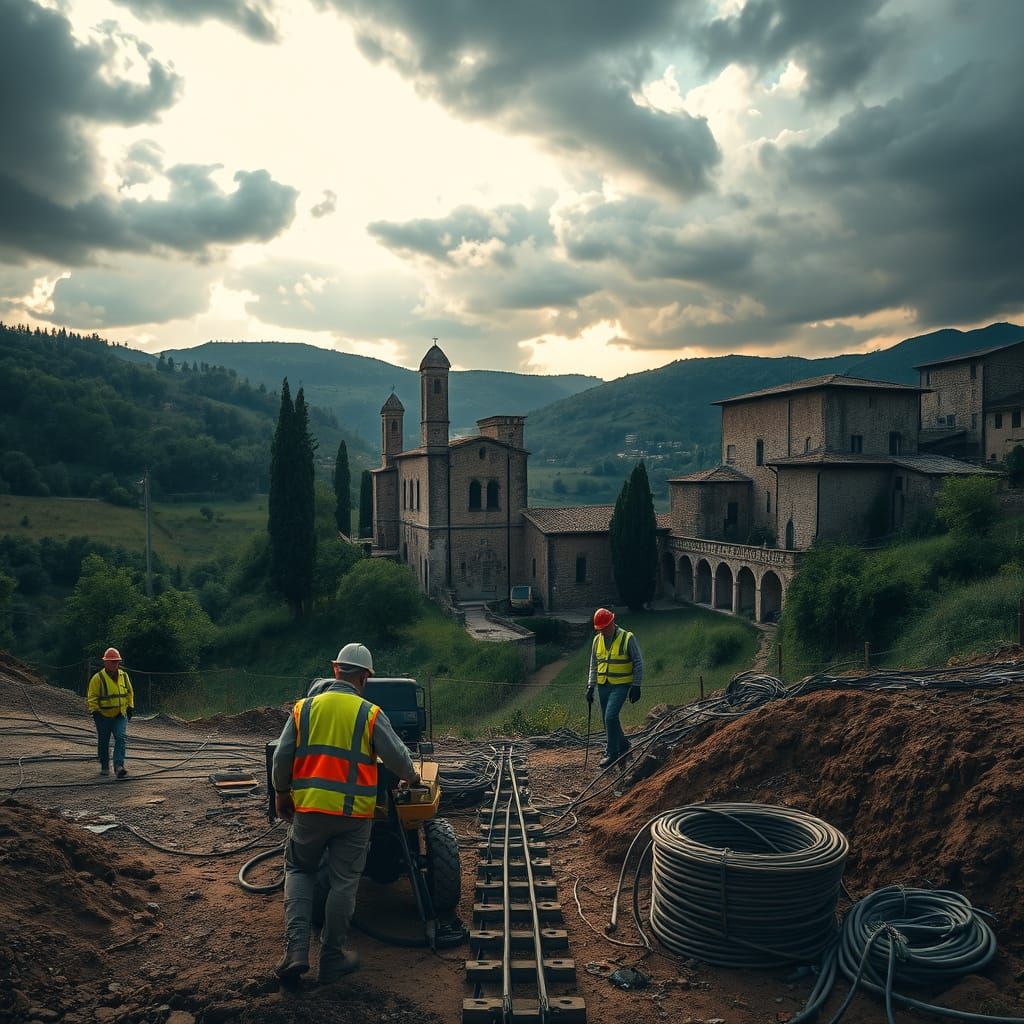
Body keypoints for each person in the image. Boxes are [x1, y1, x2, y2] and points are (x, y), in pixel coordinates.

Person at [271, 642, 420, 986]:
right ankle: (332, 958)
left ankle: (295, 952)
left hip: (308, 810)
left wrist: (281, 793)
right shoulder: (369, 713)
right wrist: (411, 777)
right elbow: (397, 758)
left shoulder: (303, 709)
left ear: (335, 669)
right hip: (354, 817)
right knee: (343, 883)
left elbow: (281, 756)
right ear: (365, 677)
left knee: (298, 869)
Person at [585, 608, 643, 768]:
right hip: (603, 685)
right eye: (600, 629)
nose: (602, 631)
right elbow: (594, 663)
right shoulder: (597, 640)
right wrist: (591, 686)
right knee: (607, 719)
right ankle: (623, 744)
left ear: (611, 623)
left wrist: (636, 685)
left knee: (610, 716)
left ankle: (611, 752)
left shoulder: (627, 637)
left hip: (621, 685)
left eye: (604, 628)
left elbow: (638, 662)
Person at [86, 647, 134, 779]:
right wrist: (95, 711)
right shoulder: (97, 678)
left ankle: (119, 766)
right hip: (103, 716)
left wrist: (130, 707)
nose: (115, 664)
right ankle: (104, 765)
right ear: (105, 662)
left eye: (117, 662)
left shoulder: (124, 676)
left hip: (120, 714)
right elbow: (92, 697)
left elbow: (129, 692)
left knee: (121, 737)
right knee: (104, 740)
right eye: (112, 662)